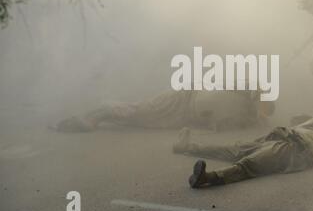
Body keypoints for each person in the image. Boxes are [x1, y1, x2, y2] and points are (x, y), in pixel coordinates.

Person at [173, 115, 313, 188]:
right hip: (282, 139)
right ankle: (187, 147)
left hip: (292, 149)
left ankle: (208, 178)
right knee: (234, 149)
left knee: (250, 164)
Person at [54, 89, 275, 133]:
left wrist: (256, 120)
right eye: (264, 107)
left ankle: (99, 114)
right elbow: (219, 126)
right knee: (138, 112)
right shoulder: (244, 95)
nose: (263, 112)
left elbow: (218, 124)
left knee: (139, 119)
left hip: (183, 114)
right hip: (181, 100)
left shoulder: (244, 112)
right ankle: (93, 115)